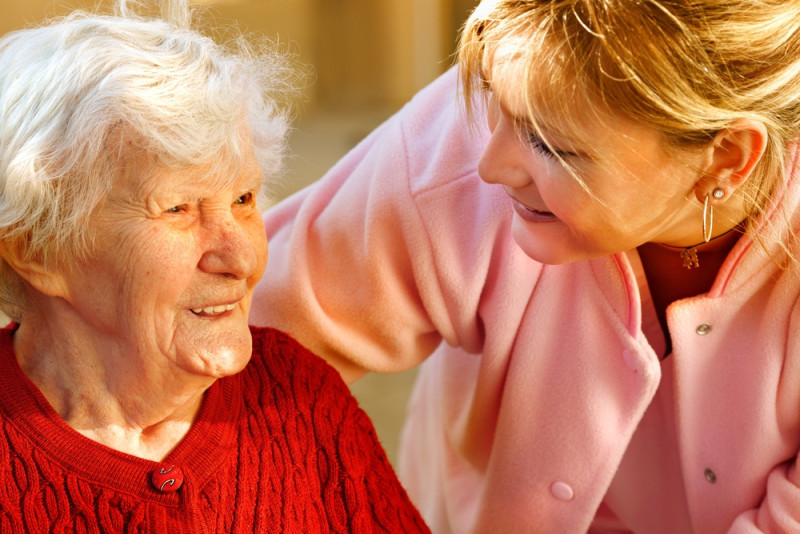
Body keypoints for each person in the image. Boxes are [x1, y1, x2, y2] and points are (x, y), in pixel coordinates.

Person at [250, 0, 800, 532]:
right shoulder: (450, 150)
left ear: (727, 157)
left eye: (551, 146)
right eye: (492, 94)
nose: (490, 165)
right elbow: (243, 352)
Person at [0, 2, 431, 532]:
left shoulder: (298, 398)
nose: (243, 257)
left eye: (244, 199)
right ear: (39, 251)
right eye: (178, 209)